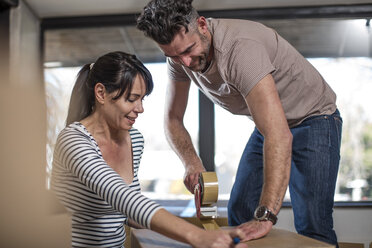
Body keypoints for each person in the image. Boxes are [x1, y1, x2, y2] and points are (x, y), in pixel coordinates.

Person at [136, 0, 343, 247]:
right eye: (174, 55)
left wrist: (267, 215)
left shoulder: (240, 49)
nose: (187, 62)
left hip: (315, 118)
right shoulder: (179, 59)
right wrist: (192, 163)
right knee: (240, 208)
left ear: (202, 25)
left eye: (188, 50)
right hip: (269, 125)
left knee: (312, 223)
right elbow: (172, 118)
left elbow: (280, 135)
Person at [51, 51, 246, 248]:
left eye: (142, 99)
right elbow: (123, 198)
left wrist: (203, 230)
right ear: (101, 93)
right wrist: (196, 236)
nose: (140, 108)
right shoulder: (74, 141)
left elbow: (130, 212)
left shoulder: (134, 139)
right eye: (132, 99)